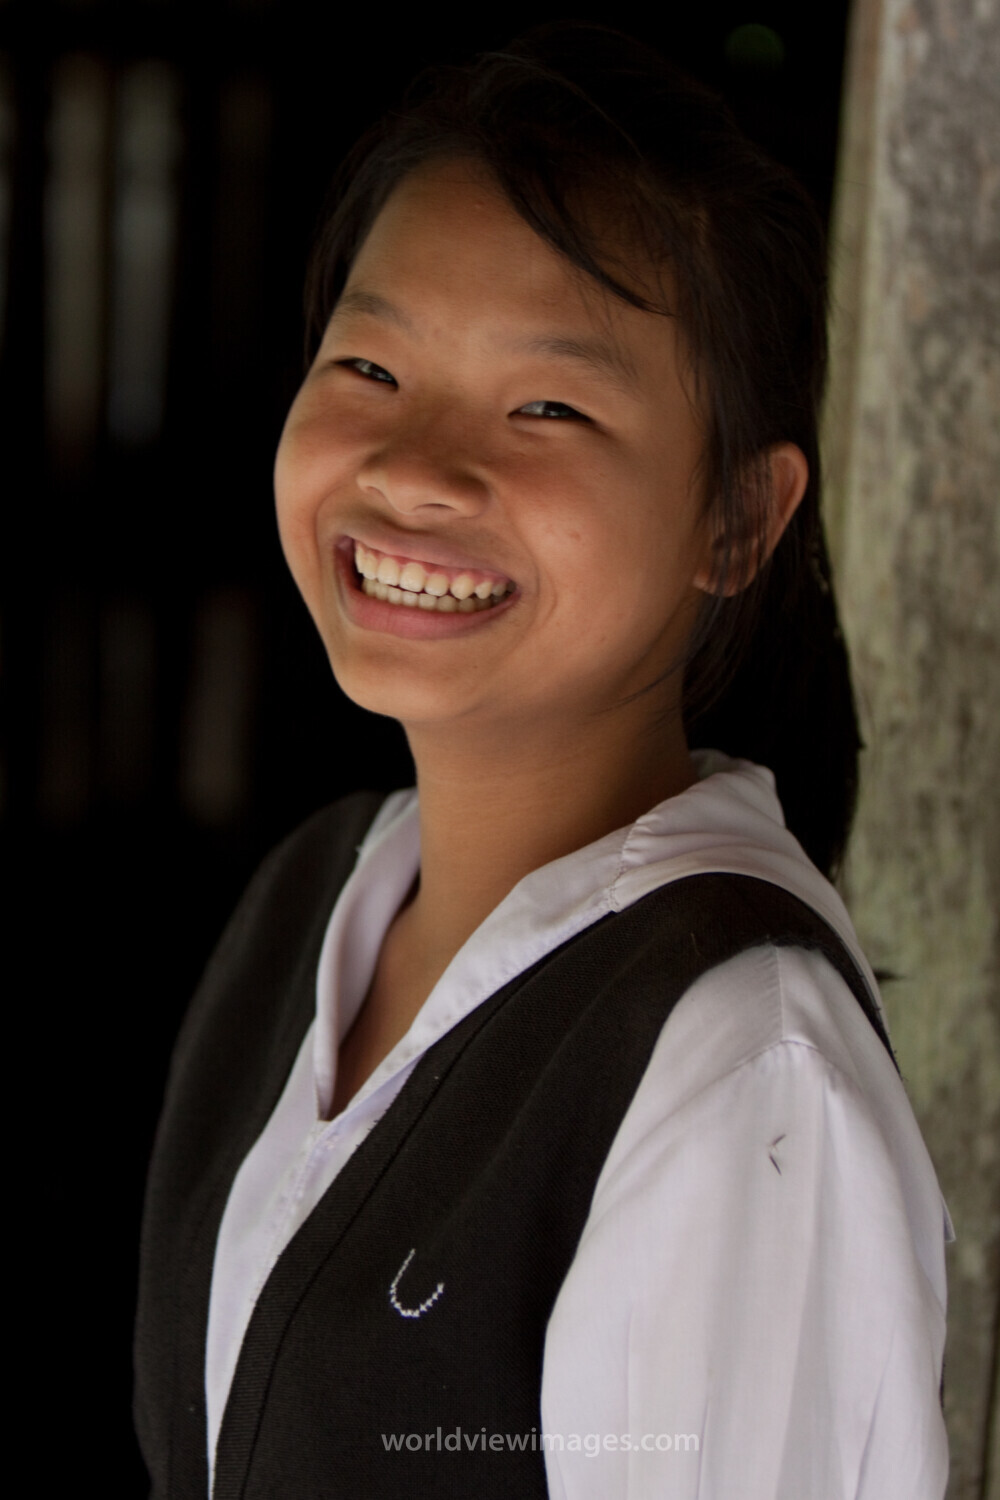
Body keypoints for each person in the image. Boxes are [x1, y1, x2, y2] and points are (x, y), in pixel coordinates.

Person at [134, 23, 951, 1499]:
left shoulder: (734, 1061)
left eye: (549, 408)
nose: (415, 467)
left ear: (738, 524)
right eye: (371, 363)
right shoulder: (314, 899)